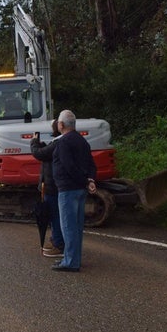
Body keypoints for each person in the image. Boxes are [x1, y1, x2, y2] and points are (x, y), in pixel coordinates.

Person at [52, 110, 97, 272]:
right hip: (80, 189)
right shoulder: (82, 141)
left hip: (68, 189)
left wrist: (85, 181)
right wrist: (90, 180)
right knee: (76, 227)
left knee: (68, 227)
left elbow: (68, 166)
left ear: (62, 125)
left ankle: (70, 262)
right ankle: (73, 259)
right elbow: (91, 164)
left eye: (58, 122)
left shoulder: (64, 142)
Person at [30, 119, 64, 258]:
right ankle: (57, 240)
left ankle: (58, 244)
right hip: (52, 184)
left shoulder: (58, 142)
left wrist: (33, 142)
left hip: (51, 185)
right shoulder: (58, 142)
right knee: (55, 214)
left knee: (54, 215)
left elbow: (39, 153)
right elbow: (46, 152)